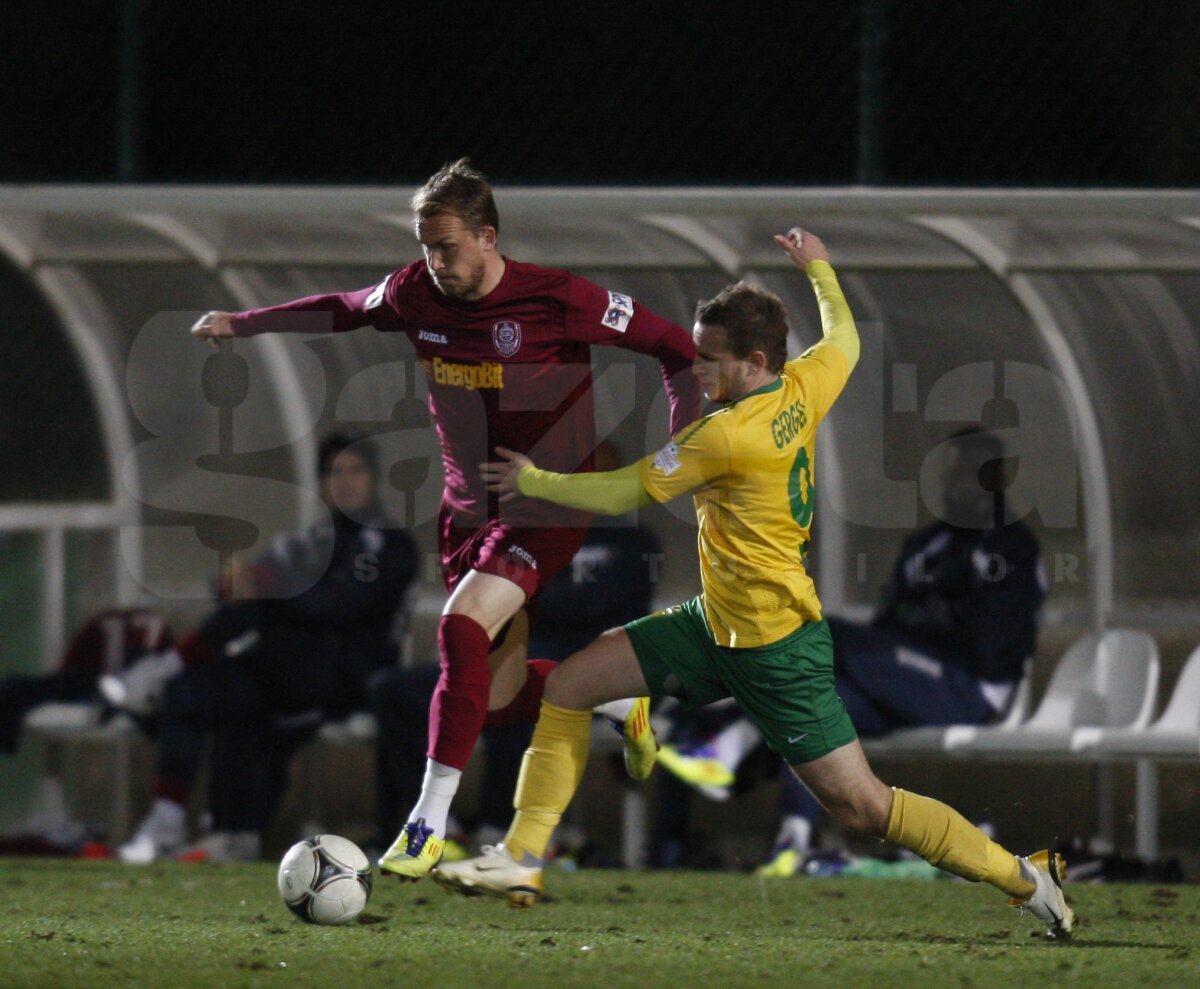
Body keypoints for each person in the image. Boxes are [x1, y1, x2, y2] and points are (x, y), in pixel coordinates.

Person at [434, 227, 1074, 938]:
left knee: (864, 807)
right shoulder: (805, 381)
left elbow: (622, 493)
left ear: (756, 361)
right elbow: (846, 340)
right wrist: (821, 267)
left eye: (710, 359)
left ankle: (1026, 874)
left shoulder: (725, 436)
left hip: (776, 650)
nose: (697, 368)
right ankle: (521, 855)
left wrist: (533, 480)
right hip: (715, 623)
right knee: (568, 685)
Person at [189, 159, 699, 880]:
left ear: (488, 238)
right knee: (488, 690)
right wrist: (244, 323)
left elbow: (674, 347)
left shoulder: (557, 300)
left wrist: (681, 445)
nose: (434, 262)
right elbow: (343, 307)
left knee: (457, 628)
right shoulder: (413, 291)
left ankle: (427, 824)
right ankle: (616, 699)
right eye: (426, 246)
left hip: (546, 504)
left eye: (447, 247)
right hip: (464, 513)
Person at [655, 428, 1047, 875]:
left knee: (829, 633)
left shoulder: (1011, 546)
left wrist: (924, 623)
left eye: (970, 471)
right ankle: (793, 840)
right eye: (952, 469)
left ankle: (731, 737)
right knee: (819, 702)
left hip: (972, 689)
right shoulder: (927, 546)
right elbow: (890, 623)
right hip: (910, 680)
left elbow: (990, 642)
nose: (957, 480)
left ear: (996, 478)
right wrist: (922, 628)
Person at [102, 432, 419, 862]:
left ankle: (163, 670)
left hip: (345, 679)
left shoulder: (387, 544)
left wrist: (263, 585)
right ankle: (173, 824)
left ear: (373, 478)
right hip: (285, 671)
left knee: (249, 637)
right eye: (332, 472)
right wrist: (238, 578)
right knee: (197, 689)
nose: (343, 481)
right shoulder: (313, 541)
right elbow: (239, 586)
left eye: (354, 470)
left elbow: (336, 606)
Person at [369, 441, 661, 855]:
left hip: (578, 664)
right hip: (507, 648)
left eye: (599, 472)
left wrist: (513, 598)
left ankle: (497, 829)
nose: (586, 481)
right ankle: (436, 827)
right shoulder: (537, 530)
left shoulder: (633, 543)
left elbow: (588, 606)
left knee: (509, 692)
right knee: (393, 690)